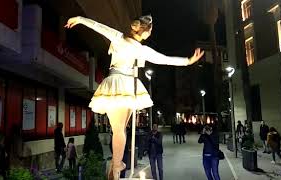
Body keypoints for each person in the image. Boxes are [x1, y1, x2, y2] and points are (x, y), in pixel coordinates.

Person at [65, 15, 204, 180]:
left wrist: (80, 19)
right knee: (119, 129)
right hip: (124, 84)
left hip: (115, 82)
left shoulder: (118, 37)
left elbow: (98, 25)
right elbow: (164, 60)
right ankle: (117, 166)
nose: (150, 34)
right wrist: (188, 61)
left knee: (120, 129)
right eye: (150, 31)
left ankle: (116, 166)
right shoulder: (141, 49)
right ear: (144, 31)